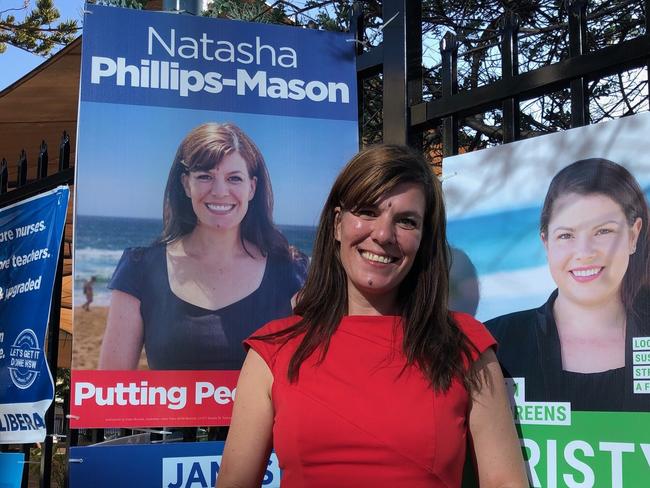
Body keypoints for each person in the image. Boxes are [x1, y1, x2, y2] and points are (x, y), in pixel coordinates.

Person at [217, 145, 527, 487]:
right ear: (337, 225)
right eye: (366, 211)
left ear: (424, 241)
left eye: (406, 221)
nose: (382, 234)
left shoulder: (465, 345)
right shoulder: (273, 351)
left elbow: (505, 482)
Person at [98, 123, 307, 370]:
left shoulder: (291, 271)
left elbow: (308, 380)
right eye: (205, 176)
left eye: (234, 178)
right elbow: (109, 392)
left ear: (252, 187)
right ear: (186, 184)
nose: (220, 192)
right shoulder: (139, 269)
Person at [487, 158, 650, 411]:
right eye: (566, 235)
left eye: (603, 231)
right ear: (546, 243)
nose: (584, 252)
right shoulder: (496, 341)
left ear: (633, 235)